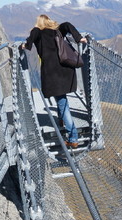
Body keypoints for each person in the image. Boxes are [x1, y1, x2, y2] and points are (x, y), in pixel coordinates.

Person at [22, 15, 87, 149]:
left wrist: (27, 42)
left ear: (39, 23)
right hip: (66, 71)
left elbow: (30, 40)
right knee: (61, 99)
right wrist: (79, 38)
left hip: (53, 74)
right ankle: (62, 120)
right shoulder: (58, 31)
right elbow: (68, 24)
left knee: (62, 103)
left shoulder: (38, 33)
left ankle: (73, 137)